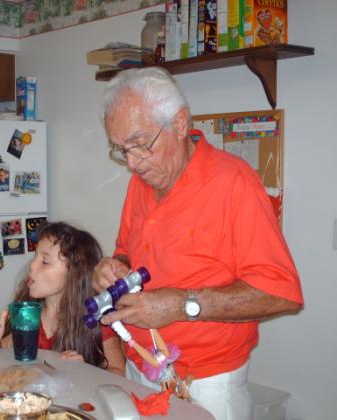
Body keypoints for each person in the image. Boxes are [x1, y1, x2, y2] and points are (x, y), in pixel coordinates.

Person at [94, 67, 303, 419]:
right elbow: (128, 252)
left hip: (205, 382)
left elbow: (282, 292)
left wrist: (183, 304)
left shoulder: (233, 183)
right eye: (121, 149)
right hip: (140, 367)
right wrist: (115, 268)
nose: (131, 163)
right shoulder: (142, 181)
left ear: (179, 123)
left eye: (140, 144)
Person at [0, 222, 125, 375]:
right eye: (34, 256)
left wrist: (84, 372)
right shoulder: (25, 316)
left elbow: (118, 371)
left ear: (74, 274)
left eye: (45, 261)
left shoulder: (98, 321)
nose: (32, 265)